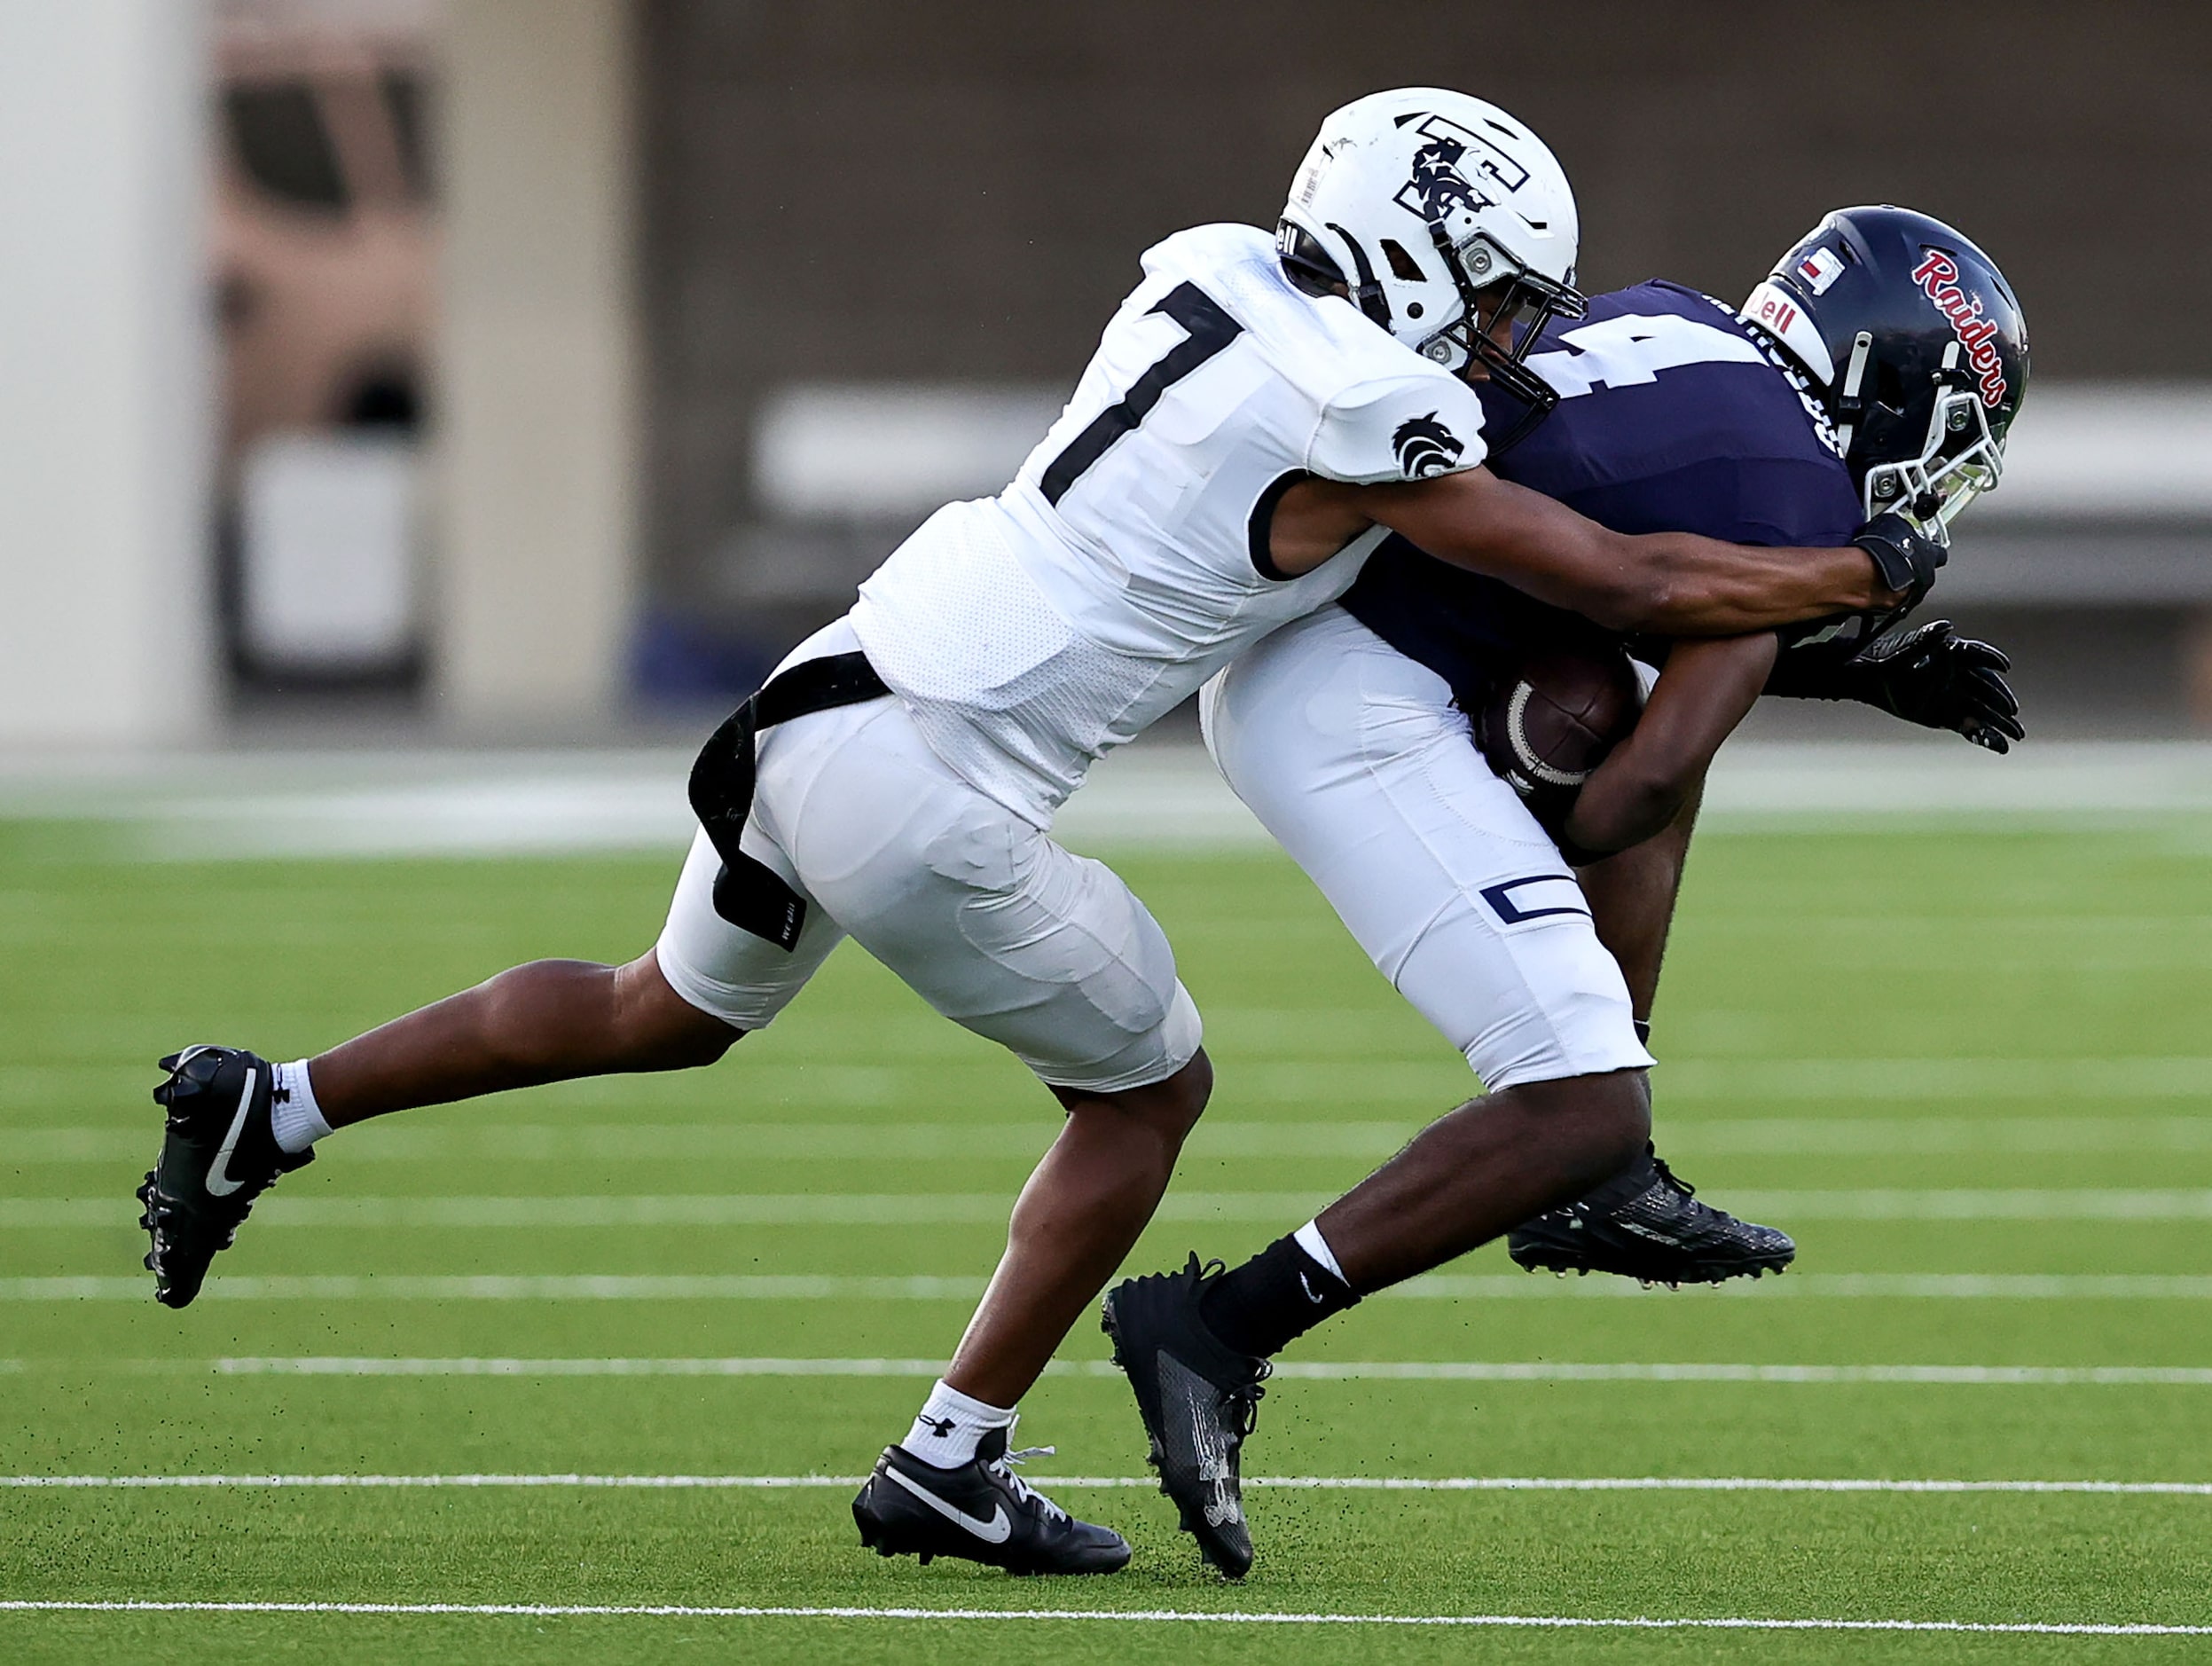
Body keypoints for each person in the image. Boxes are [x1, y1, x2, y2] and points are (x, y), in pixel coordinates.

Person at [135, 94, 1935, 1578]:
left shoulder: (1211, 270)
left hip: (824, 686)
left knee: (653, 1009)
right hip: (932, 777)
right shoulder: (1358, 402)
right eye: (1486, 301)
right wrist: (1863, 575)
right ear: (1407, 248)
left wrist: (1818, 654)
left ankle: (274, 1100)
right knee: (1149, 1096)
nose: (1497, 342)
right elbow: (1623, 578)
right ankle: (949, 1457)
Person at [1101, 204, 2029, 1577]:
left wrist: (1826, 663)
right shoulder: (1798, 500)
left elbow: (1614, 536)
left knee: (1653, 710)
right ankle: (1218, 1324)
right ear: (1894, 387)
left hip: (1324, 637)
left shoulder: (1676, 319)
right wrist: (1546, 786)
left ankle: (1601, 1178)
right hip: (1352, 707)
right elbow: (1630, 790)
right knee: (1581, 1087)